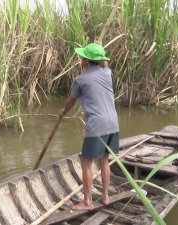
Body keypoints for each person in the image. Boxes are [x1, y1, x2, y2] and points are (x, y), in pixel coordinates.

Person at [59, 42, 119, 210]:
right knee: (105, 160)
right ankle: (106, 196)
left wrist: (63, 111)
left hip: (97, 125)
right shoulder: (107, 73)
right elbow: (104, 63)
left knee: (86, 162)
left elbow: (71, 101)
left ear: (86, 61)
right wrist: (100, 53)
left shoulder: (80, 79)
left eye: (83, 57)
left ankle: (87, 201)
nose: (81, 58)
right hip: (113, 123)